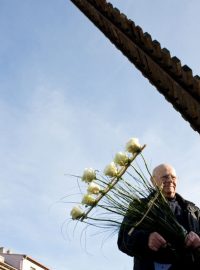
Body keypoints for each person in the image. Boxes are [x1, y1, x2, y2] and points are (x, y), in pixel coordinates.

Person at [117, 163, 200, 270]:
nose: (170, 180)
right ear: (153, 181)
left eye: (173, 177)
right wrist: (146, 239)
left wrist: (198, 240)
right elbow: (123, 240)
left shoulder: (193, 210)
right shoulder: (141, 206)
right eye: (165, 177)